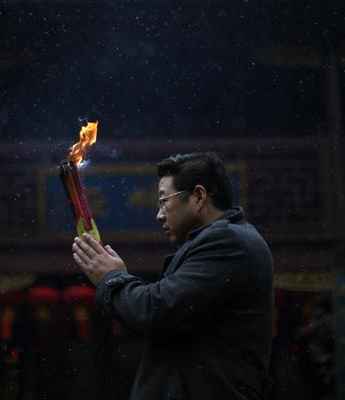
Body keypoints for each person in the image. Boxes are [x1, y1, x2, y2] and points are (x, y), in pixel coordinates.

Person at [72, 152, 274, 400]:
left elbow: (156, 310)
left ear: (199, 196)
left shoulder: (228, 242)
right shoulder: (225, 240)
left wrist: (112, 278)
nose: (159, 215)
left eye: (163, 200)